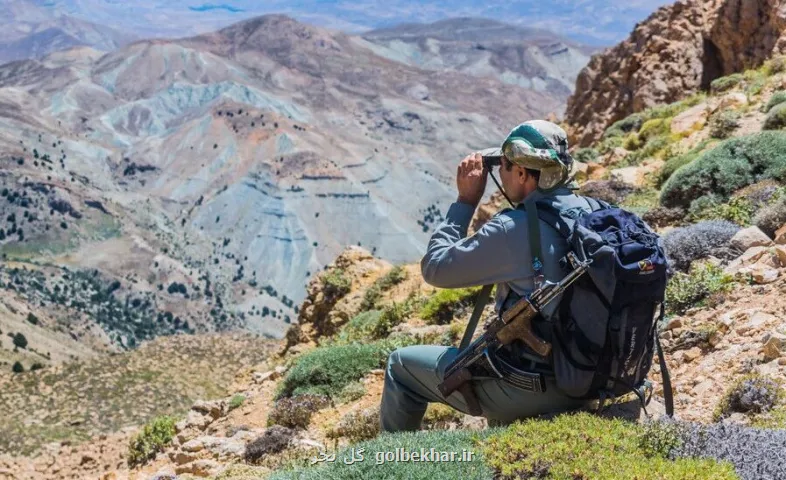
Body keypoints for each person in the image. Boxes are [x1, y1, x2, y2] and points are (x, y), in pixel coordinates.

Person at [380, 120, 595, 432]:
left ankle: (388, 464)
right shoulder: (593, 211)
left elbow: (435, 268)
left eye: (503, 165)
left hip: (541, 388)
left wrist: (465, 202)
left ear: (522, 173)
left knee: (401, 366)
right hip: (598, 377)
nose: (499, 175)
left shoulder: (514, 228)